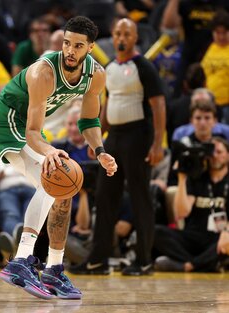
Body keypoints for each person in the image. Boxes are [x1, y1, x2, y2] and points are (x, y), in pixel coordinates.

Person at [0, 16, 117, 299]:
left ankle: (54, 268)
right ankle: (21, 261)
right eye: (67, 43)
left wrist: (100, 151)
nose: (70, 50)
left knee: (63, 190)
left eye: (78, 46)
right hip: (3, 119)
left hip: (28, 127)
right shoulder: (44, 72)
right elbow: (32, 133)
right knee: (50, 177)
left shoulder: (96, 75)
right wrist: (50, 151)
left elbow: (89, 122)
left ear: (90, 48)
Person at [71, 18, 165, 276]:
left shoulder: (144, 67)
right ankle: (98, 259)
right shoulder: (109, 68)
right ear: (112, 38)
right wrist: (97, 140)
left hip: (139, 136)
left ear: (135, 38)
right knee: (104, 197)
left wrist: (157, 144)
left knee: (140, 198)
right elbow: (107, 105)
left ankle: (144, 260)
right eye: (117, 33)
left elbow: (158, 105)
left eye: (127, 34)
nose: (121, 38)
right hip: (114, 138)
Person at [154, 137, 229, 272]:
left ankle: (187, 265)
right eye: (211, 152)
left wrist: (227, 231)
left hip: (219, 237)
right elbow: (181, 213)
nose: (215, 156)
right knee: (155, 232)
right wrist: (182, 179)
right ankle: (204, 264)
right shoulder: (197, 178)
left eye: (219, 152)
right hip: (193, 236)